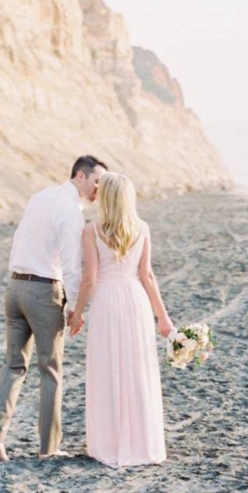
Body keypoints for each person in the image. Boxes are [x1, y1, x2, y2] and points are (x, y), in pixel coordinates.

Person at [0, 155, 107, 462]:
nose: (99, 190)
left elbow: (21, 238)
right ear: (80, 176)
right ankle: (49, 448)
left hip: (14, 287)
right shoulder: (71, 212)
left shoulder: (40, 197)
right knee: (50, 370)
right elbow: (70, 265)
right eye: (97, 182)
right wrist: (76, 309)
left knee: (14, 366)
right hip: (43, 291)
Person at [69, 172, 173, 467]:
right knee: (137, 370)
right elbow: (147, 276)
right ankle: (143, 443)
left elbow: (89, 279)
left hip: (106, 303)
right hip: (136, 301)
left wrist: (77, 314)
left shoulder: (92, 230)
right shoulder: (142, 228)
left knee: (108, 370)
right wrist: (163, 319)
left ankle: (110, 443)